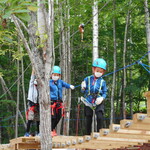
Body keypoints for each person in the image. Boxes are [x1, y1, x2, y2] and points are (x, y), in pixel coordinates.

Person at [81, 58, 107, 135]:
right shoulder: (87, 79)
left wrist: (102, 98)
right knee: (88, 117)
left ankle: (100, 133)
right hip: (88, 100)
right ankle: (87, 134)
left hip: (98, 100)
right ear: (93, 69)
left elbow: (105, 92)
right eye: (97, 71)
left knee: (99, 116)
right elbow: (83, 91)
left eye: (101, 71)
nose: (99, 73)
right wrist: (83, 88)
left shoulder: (103, 81)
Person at [49, 66, 75, 136]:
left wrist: (70, 86)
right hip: (52, 102)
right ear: (51, 75)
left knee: (59, 116)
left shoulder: (60, 82)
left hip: (59, 102)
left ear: (59, 76)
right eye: (54, 75)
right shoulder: (49, 82)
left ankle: (52, 128)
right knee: (53, 117)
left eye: (57, 75)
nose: (56, 76)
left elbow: (66, 85)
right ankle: (51, 130)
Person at [24, 69, 40, 137]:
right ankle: (27, 132)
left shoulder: (39, 88)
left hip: (37, 104)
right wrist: (33, 68)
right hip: (31, 104)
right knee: (30, 119)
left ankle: (38, 132)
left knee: (38, 120)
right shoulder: (31, 85)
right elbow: (32, 76)